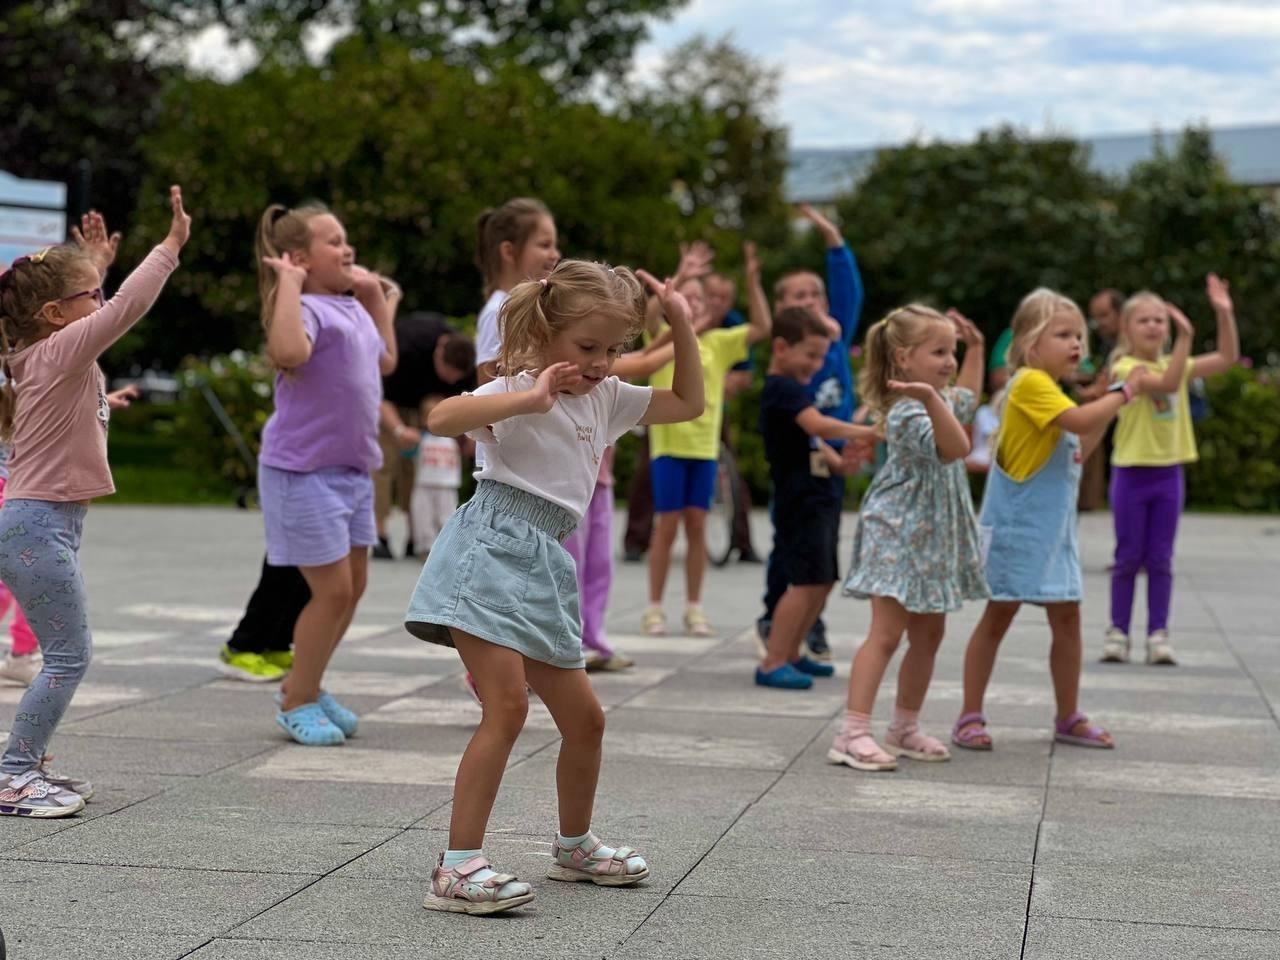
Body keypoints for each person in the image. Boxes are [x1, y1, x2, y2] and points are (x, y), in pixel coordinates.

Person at [404, 259, 704, 915]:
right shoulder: (518, 387)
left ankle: (574, 847)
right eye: (588, 346)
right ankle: (456, 869)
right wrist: (526, 400)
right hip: (490, 548)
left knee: (586, 720)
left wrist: (682, 325)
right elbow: (442, 417)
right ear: (546, 334)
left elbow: (688, 403)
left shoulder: (606, 397)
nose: (601, 362)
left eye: (613, 349)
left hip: (545, 559)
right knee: (507, 707)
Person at [0, 186, 189, 816]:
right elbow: (127, 307)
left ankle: (27, 765)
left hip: (42, 521)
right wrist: (169, 246)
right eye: (91, 296)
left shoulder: (46, 352)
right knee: (68, 656)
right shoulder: (59, 350)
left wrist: (93, 269)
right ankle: (14, 774)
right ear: (55, 313)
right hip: (36, 524)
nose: (102, 304)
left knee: (64, 653)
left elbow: (90, 319)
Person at [952, 288, 1152, 753]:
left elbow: (1080, 447)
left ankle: (1068, 715)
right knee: (998, 615)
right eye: (1063, 334)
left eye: (1079, 335)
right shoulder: (1029, 383)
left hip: (1054, 535)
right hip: (1019, 531)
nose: (1076, 343)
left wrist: (1109, 405)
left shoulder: (1054, 392)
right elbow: (1080, 422)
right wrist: (1124, 392)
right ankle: (969, 715)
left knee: (1067, 618)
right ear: (1029, 343)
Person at [256, 202, 397, 746]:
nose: (347, 249)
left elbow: (385, 361)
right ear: (299, 259)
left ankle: (305, 683)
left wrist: (375, 299)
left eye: (346, 239)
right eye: (333, 242)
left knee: (353, 588)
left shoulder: (350, 308)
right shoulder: (306, 309)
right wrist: (289, 286)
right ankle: (297, 698)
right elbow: (288, 350)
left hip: (352, 471)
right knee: (333, 592)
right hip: (302, 472)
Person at [830, 306, 988, 769]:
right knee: (886, 634)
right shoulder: (904, 411)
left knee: (930, 633)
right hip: (897, 532)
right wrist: (933, 398)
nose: (950, 361)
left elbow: (968, 399)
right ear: (903, 358)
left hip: (933, 539)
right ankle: (851, 733)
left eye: (952, 352)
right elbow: (956, 447)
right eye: (939, 352)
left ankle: (903, 726)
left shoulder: (938, 398)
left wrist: (977, 348)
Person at [1102, 275, 1239, 665]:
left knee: (1161, 559)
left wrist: (1224, 313)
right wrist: (1184, 340)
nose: (1153, 326)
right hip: (1131, 473)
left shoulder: (1175, 361)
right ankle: (1118, 632)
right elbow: (1165, 384)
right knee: (1128, 557)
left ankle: (1158, 634)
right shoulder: (1124, 367)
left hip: (1168, 475)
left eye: (1159, 320)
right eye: (1144, 320)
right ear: (1127, 328)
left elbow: (1226, 357)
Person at [643, 244, 770, 637]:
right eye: (688, 297)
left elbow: (762, 327)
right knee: (667, 526)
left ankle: (694, 607)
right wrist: (680, 276)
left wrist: (753, 280)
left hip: (704, 448)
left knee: (697, 524)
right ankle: (655, 608)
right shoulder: (662, 338)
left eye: (700, 299)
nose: (696, 304)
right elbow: (648, 315)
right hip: (668, 447)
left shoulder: (717, 343)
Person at [757, 204, 865, 663]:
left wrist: (834, 241)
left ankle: (799, 636)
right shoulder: (787, 379)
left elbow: (849, 292)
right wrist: (870, 429)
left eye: (815, 294)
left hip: (825, 465)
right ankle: (777, 632)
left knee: (818, 564)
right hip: (799, 476)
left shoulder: (829, 343)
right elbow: (814, 425)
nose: (810, 302)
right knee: (796, 561)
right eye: (798, 296)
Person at [754, 307, 876, 691]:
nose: (817, 364)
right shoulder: (782, 389)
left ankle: (792, 653)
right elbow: (819, 425)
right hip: (799, 502)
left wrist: (842, 463)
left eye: (822, 356)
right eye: (810, 354)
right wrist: (870, 431)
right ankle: (773, 660)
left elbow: (815, 441)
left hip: (819, 498)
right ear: (780, 348)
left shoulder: (797, 391)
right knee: (805, 583)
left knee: (822, 581)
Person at [373, 309, 474, 559]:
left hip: (428, 407)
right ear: (438, 355)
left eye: (456, 378)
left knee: (416, 471)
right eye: (446, 374)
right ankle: (379, 534)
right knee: (384, 463)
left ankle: (415, 537)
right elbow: (380, 396)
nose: (450, 381)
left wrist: (468, 437)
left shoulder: (464, 358)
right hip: (392, 400)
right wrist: (399, 430)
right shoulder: (408, 347)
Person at [474, 198, 560, 384]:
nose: (555, 254)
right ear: (509, 252)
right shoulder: (498, 311)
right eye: (545, 245)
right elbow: (485, 387)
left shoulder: (536, 307)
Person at [706, 271, 761, 563]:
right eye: (711, 295)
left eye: (723, 297)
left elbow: (746, 374)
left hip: (712, 409)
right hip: (674, 410)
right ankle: (636, 541)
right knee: (648, 469)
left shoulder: (734, 325)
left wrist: (720, 382)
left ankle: (743, 542)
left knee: (731, 472)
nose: (717, 302)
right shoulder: (684, 316)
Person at [410, 394, 463, 558]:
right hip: (424, 484)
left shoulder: (453, 439)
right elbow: (407, 453)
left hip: (447, 486)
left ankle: (446, 549)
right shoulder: (420, 439)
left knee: (447, 517)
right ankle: (426, 549)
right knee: (423, 518)